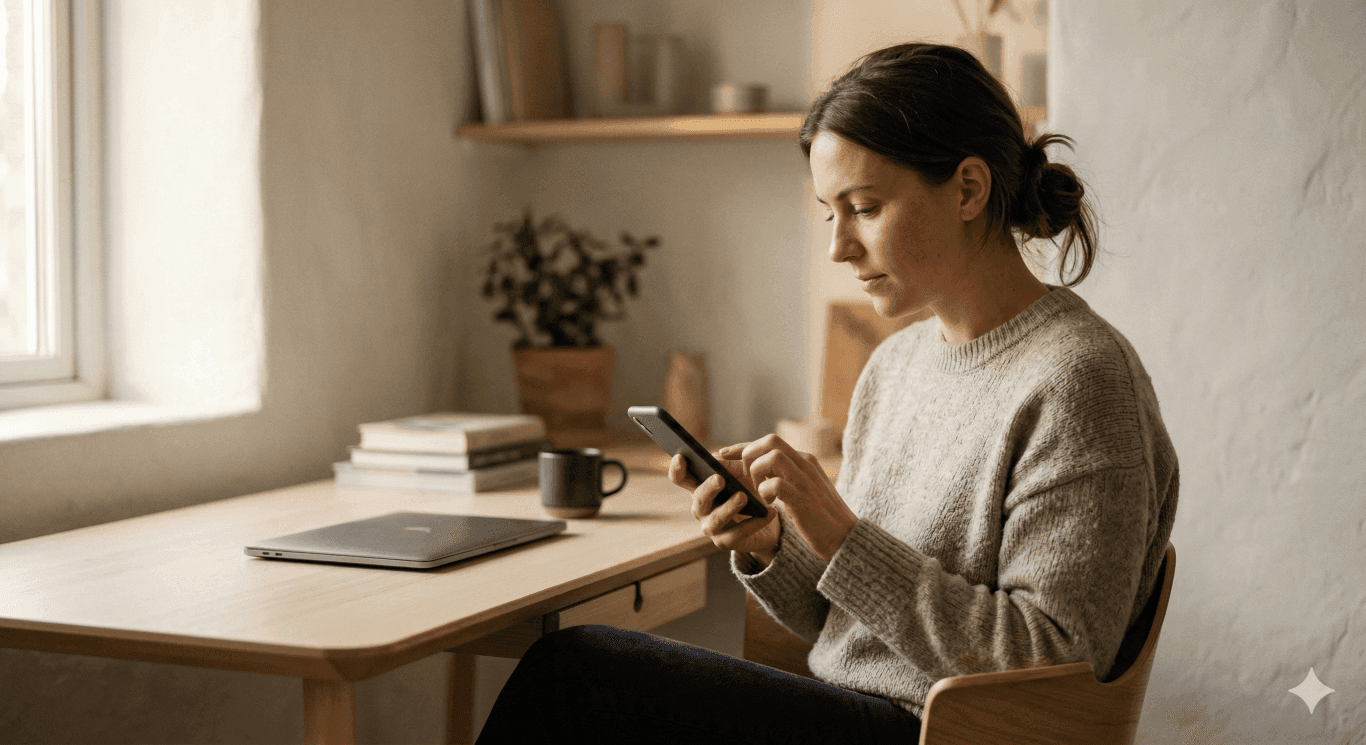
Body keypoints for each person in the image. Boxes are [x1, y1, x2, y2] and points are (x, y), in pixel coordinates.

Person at [476, 42, 1178, 744]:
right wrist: (774, 545)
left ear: (968, 188)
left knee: (578, 675)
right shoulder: (896, 365)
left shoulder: (1080, 380)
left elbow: (1052, 662)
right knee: (579, 673)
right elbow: (852, 627)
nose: (839, 246)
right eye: (828, 213)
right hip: (851, 710)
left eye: (864, 207)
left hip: (942, 733)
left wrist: (843, 535)